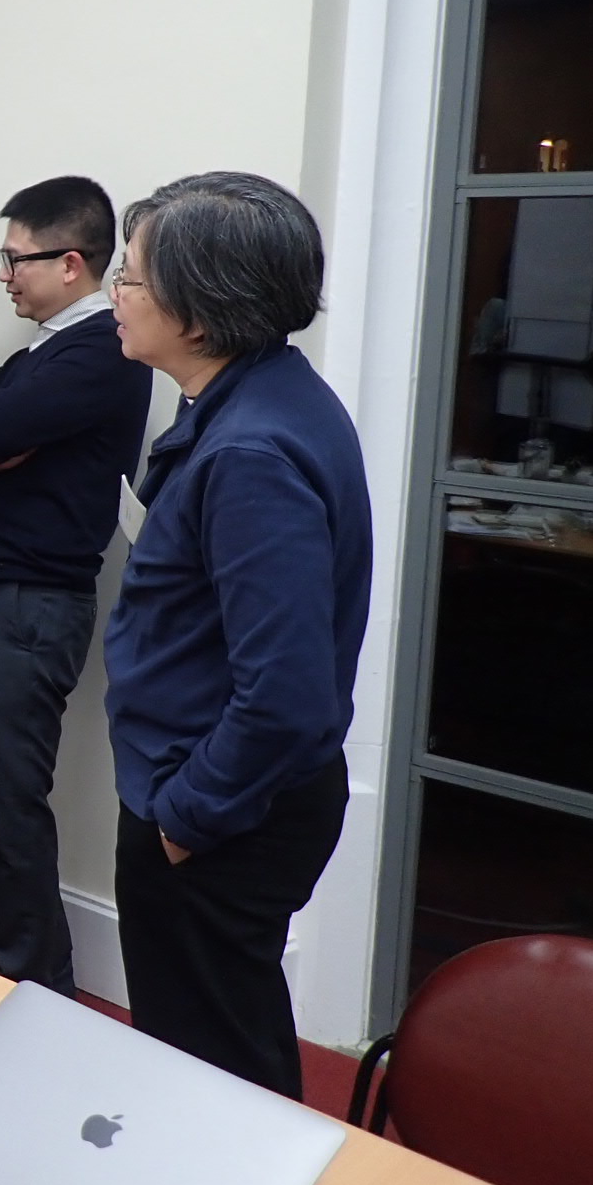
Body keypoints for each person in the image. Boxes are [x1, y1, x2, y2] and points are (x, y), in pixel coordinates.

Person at [102, 171, 370, 1098]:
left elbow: (285, 698)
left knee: (214, 1071)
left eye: (131, 276)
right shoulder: (259, 394)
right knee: (202, 1049)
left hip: (221, 809)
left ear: (201, 310)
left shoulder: (251, 450)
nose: (115, 292)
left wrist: (184, 819)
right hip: (220, 791)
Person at [0, 176, 153, 994]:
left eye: (15, 258)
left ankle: (36, 988)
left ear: (69, 263)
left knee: (6, 803)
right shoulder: (42, 351)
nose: (4, 275)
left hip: (26, 603)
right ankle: (18, 976)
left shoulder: (99, 350)